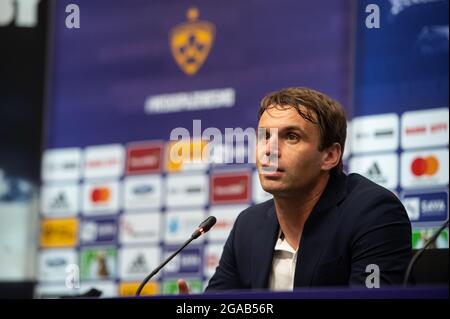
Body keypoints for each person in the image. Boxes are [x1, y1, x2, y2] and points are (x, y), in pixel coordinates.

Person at [178, 87, 412, 293]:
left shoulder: (373, 213)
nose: (269, 150)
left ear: (330, 156)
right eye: (264, 136)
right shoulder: (248, 225)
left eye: (291, 137)